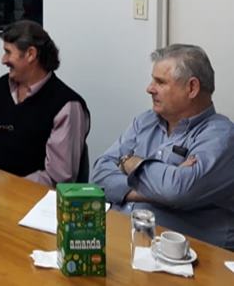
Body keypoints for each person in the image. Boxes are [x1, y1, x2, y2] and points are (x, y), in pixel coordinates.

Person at [92, 44, 234, 250]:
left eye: (160, 82)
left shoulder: (221, 136)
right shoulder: (145, 121)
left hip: (187, 254)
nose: (149, 88)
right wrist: (160, 189)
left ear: (192, 88)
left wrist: (131, 163)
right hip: (121, 236)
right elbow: (99, 175)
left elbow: (178, 191)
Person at [0, 20, 89, 187]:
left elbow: (57, 179)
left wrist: (6, 186)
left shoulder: (66, 106)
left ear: (30, 54)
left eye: (8, 52)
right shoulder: (1, 86)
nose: (3, 60)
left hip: (24, 195)